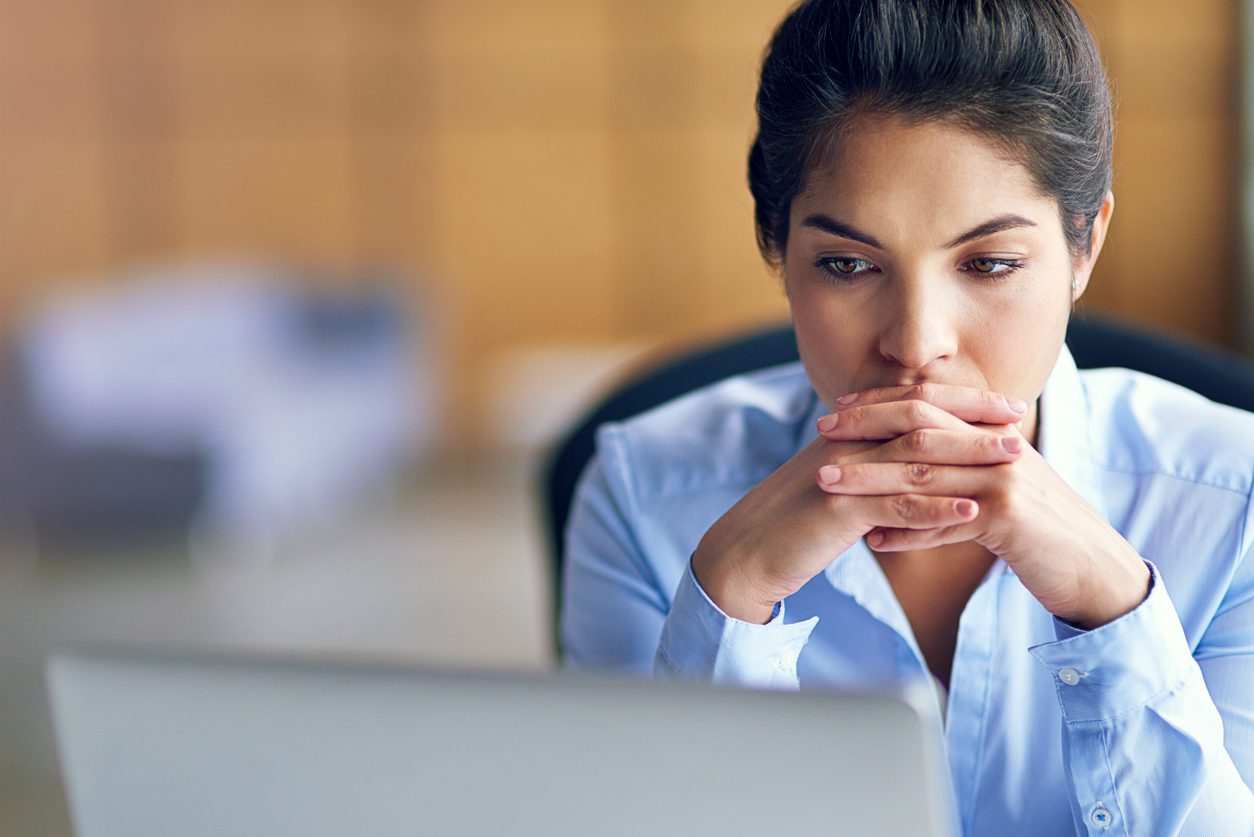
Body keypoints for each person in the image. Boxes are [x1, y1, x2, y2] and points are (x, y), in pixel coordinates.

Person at [561, 0, 1254, 834]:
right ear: (778, 250)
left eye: (990, 262)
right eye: (848, 264)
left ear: (1084, 246)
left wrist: (1114, 609)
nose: (917, 343)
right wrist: (727, 599)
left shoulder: (1235, 504)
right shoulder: (642, 494)